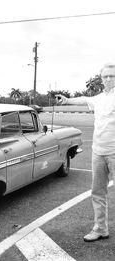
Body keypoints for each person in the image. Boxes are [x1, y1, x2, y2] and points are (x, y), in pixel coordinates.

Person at [56, 63, 115, 242]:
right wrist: (67, 100)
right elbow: (83, 99)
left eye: (112, 76)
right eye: (106, 76)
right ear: (101, 79)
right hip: (98, 152)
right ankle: (100, 229)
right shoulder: (98, 98)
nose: (109, 79)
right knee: (97, 192)